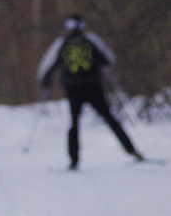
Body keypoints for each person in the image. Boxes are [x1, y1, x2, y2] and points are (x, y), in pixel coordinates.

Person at [36, 14, 143, 170]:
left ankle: (73, 161)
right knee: (109, 118)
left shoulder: (62, 43)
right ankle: (132, 150)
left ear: (68, 27)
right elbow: (109, 59)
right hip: (93, 87)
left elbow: (46, 67)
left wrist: (46, 82)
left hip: (73, 89)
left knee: (74, 124)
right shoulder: (91, 40)